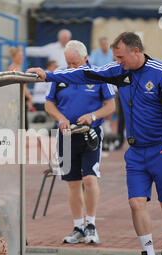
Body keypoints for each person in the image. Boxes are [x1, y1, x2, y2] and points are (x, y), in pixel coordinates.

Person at [27, 32, 162, 255]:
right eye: (115, 56)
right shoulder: (118, 70)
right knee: (136, 203)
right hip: (136, 151)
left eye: (120, 56)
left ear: (137, 51)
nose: (117, 60)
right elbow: (83, 73)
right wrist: (48, 74)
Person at [45, 40, 115, 244]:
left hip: (90, 134)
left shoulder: (99, 75)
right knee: (72, 183)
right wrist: (60, 118)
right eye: (69, 63)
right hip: (66, 136)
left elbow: (110, 106)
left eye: (76, 63)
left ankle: (91, 224)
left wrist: (92, 116)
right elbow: (49, 104)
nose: (72, 68)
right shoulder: (60, 74)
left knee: (90, 179)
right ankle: (77, 227)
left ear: (86, 58)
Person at [8, 46, 34, 129]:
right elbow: (23, 86)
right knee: (22, 124)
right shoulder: (14, 69)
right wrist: (30, 97)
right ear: (13, 57)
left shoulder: (16, 68)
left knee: (22, 123)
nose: (22, 58)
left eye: (22, 56)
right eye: (19, 56)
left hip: (19, 97)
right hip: (18, 98)